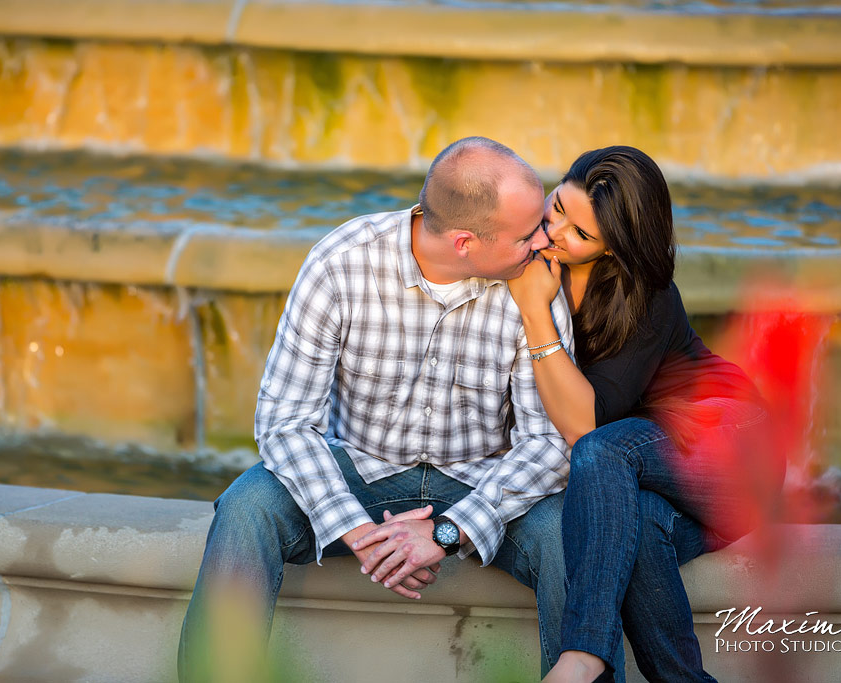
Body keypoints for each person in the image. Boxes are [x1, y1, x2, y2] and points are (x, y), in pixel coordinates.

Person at [177, 136, 625, 681]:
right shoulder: (341, 264)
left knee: (567, 533)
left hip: (478, 477)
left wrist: (450, 531)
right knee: (248, 506)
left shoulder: (532, 280)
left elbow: (548, 444)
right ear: (465, 242)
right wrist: (357, 533)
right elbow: (284, 420)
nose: (544, 242)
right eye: (527, 233)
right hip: (360, 470)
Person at [507, 146, 786, 682]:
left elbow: (585, 430)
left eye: (581, 233)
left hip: (731, 446)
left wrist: (535, 313)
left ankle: (582, 657)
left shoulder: (647, 294)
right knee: (626, 528)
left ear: (615, 249)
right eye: (559, 205)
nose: (557, 228)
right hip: (656, 472)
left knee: (603, 451)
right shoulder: (542, 263)